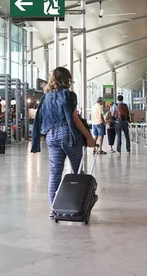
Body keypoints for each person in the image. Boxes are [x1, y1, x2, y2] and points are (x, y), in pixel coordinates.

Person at [31, 67, 95, 215]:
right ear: (67, 79)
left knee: (55, 174)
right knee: (77, 171)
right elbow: (75, 119)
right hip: (68, 134)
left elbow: (40, 118)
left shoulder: (45, 98)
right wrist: (88, 136)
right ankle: (76, 205)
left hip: (51, 136)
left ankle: (54, 208)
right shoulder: (69, 95)